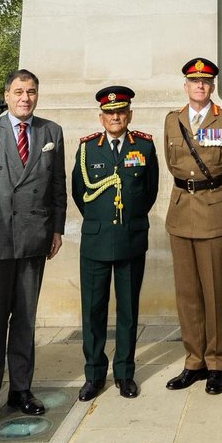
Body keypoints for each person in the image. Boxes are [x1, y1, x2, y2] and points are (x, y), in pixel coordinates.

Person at [0, 69, 67, 427]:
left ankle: (20, 389)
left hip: (33, 238)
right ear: (6, 95)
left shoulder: (51, 132)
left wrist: (56, 229)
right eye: (19, 91)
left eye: (32, 91)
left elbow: (57, 186)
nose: (26, 98)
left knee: (24, 318)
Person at [163, 57, 222, 394]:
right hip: (181, 212)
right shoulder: (173, 121)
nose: (200, 86)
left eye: (206, 82)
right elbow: (173, 164)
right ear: (186, 86)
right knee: (187, 294)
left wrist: (220, 192)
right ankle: (193, 360)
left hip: (214, 212)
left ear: (212, 87)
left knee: (214, 291)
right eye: (194, 81)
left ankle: (216, 362)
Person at [72, 85, 159, 401]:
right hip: (95, 241)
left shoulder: (145, 148)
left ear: (130, 115)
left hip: (130, 239)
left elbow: (148, 193)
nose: (115, 117)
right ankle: (94, 375)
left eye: (121, 112)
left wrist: (129, 221)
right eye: (109, 113)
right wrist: (98, 220)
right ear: (101, 117)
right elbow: (79, 193)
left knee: (128, 310)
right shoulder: (86, 149)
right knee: (93, 311)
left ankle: (125, 373)